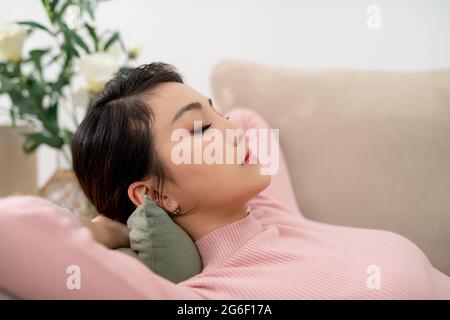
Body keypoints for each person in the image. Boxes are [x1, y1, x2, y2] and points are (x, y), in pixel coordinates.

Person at [1, 63, 449, 299]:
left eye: (218, 112)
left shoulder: (270, 210)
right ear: (156, 193)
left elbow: (251, 121)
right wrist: (108, 229)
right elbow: (11, 229)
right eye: (199, 129)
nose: (232, 129)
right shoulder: (212, 295)